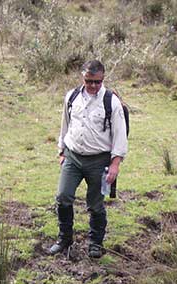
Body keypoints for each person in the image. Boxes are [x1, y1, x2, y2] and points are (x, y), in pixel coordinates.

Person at [48, 59, 128, 259]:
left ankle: (95, 243)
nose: (93, 86)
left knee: (95, 204)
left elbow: (120, 135)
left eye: (97, 82)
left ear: (103, 79)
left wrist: (115, 164)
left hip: (99, 161)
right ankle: (64, 239)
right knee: (63, 196)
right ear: (83, 77)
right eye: (89, 81)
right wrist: (61, 151)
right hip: (73, 157)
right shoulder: (72, 97)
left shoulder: (111, 102)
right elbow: (65, 124)